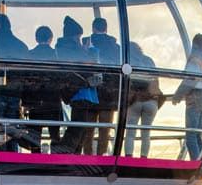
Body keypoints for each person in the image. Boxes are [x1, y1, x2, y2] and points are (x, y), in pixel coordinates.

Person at [55, 16, 99, 154]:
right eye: (78, 37)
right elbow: (89, 63)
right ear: (73, 36)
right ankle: (66, 151)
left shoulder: (64, 47)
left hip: (76, 92)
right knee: (79, 126)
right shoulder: (71, 48)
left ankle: (73, 153)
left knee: (80, 126)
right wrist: (88, 50)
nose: (80, 40)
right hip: (79, 91)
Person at [172, 33, 202, 161]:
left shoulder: (195, 59)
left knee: (191, 136)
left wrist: (178, 95)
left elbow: (190, 79)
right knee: (200, 135)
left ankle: (195, 164)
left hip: (195, 99)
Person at [86, 17, 121, 153]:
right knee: (104, 130)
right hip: (109, 94)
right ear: (106, 29)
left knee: (87, 129)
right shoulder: (116, 47)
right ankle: (101, 157)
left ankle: (87, 158)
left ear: (93, 28)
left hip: (91, 91)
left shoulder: (87, 44)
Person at [122, 40, 162, 158]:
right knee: (146, 133)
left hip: (135, 100)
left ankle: (128, 157)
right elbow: (156, 80)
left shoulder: (128, 60)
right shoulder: (149, 60)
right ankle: (144, 157)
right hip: (151, 101)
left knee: (130, 133)